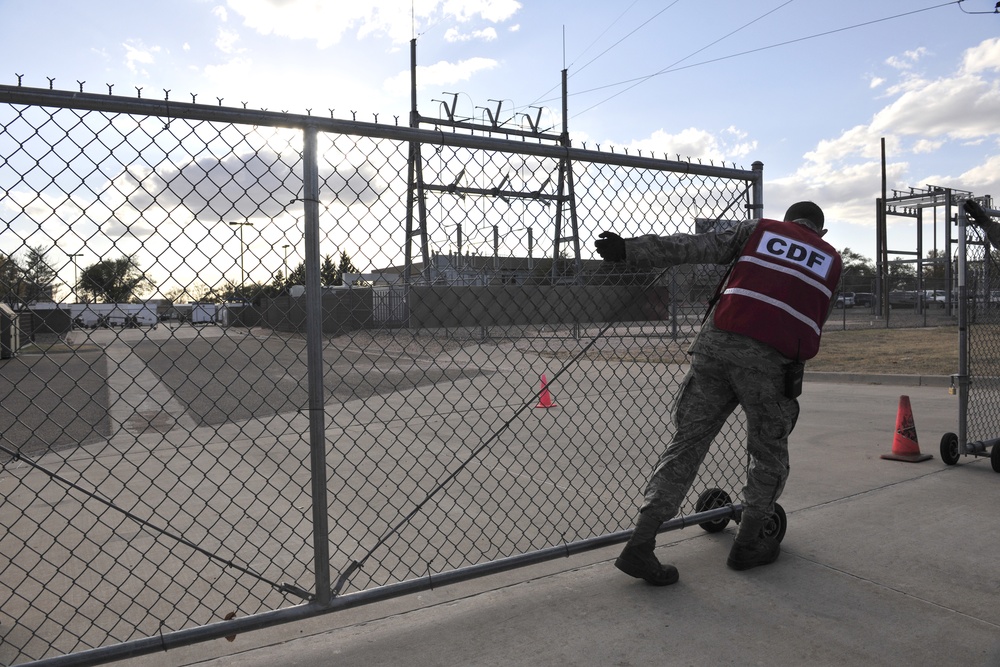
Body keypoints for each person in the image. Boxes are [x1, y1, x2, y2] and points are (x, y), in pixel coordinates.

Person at [594, 201, 842, 586]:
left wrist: (630, 249)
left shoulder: (759, 230)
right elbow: (814, 317)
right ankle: (749, 543)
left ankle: (640, 544)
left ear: (788, 221)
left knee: (686, 445)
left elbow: (694, 246)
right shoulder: (830, 260)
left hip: (717, 345)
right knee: (768, 454)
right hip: (770, 365)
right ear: (820, 233)